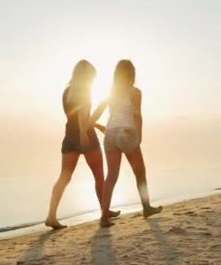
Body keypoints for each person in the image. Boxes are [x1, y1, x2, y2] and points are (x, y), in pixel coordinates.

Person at [45, 60, 120, 230]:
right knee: (99, 175)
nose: (93, 81)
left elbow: (74, 115)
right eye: (91, 77)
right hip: (85, 135)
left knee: (64, 177)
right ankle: (104, 211)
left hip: (70, 137)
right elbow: (81, 116)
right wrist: (84, 132)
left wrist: (97, 125)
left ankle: (51, 216)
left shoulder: (67, 92)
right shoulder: (84, 91)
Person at [87, 59, 162, 227]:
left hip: (111, 135)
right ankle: (146, 207)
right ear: (132, 74)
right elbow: (137, 115)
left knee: (111, 176)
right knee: (139, 172)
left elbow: (98, 111)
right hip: (127, 134)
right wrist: (139, 135)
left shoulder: (110, 93)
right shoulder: (135, 92)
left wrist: (92, 125)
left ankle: (104, 218)